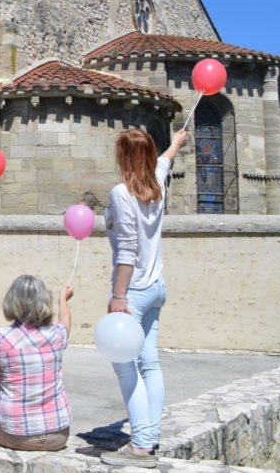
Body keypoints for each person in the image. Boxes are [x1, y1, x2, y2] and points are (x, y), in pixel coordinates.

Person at [100, 127, 187, 468]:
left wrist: (118, 297)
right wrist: (175, 143)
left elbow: (127, 250)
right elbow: (165, 162)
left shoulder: (122, 193)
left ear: (124, 157)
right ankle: (150, 436)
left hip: (133, 290)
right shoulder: (158, 186)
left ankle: (139, 444)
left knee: (125, 365)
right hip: (156, 288)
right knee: (149, 363)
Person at [0, 275, 73, 451]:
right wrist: (63, 299)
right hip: (58, 435)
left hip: (16, 436)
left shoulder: (1, 337)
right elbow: (66, 322)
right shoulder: (57, 334)